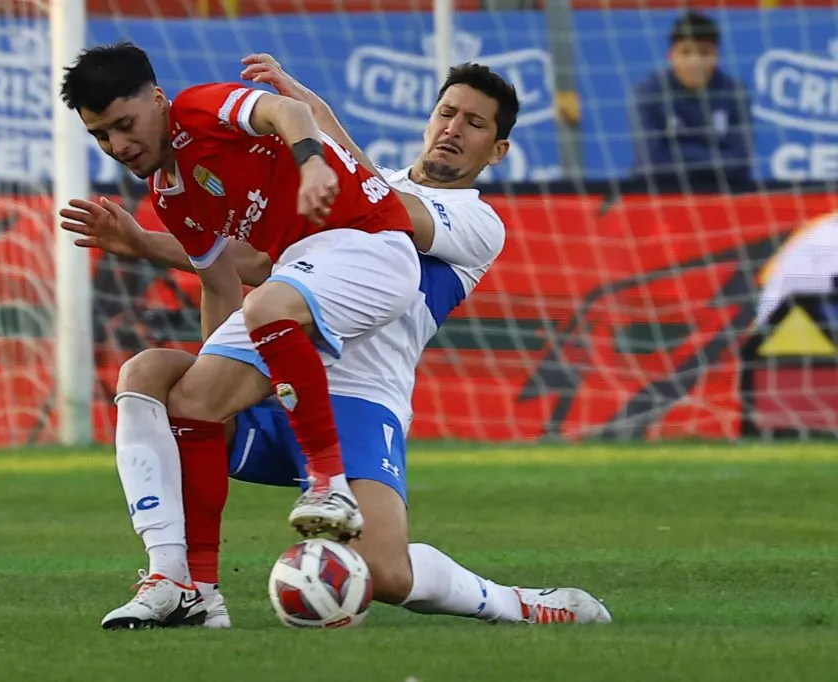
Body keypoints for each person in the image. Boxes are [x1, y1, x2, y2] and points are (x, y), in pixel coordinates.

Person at [61, 56, 613, 629]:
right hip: (280, 371)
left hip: (360, 398)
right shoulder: (340, 186)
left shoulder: (476, 222)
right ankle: (179, 581)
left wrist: (310, 127)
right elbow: (253, 261)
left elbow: (379, 204)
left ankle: (521, 605)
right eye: (446, 113)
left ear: (497, 151)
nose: (453, 128)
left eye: (474, 123)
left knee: (385, 572)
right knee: (157, 379)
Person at [60, 42, 421, 551]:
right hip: (303, 270)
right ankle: (194, 591)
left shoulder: (198, 109)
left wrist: (313, 164)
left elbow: (288, 110)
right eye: (100, 135)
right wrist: (217, 381)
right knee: (191, 401)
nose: (117, 145)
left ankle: (327, 485)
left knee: (267, 305)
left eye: (124, 124)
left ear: (158, 99)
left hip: (371, 242)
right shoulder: (169, 195)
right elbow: (224, 280)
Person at [629, 11, 753, 189]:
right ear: (671, 55)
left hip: (720, 196)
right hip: (659, 196)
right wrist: (715, 159)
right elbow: (650, 164)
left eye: (704, 52)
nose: (695, 61)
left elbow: (741, 165)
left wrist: (678, 152)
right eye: (686, 52)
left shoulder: (734, 93)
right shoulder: (647, 93)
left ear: (717, 56)